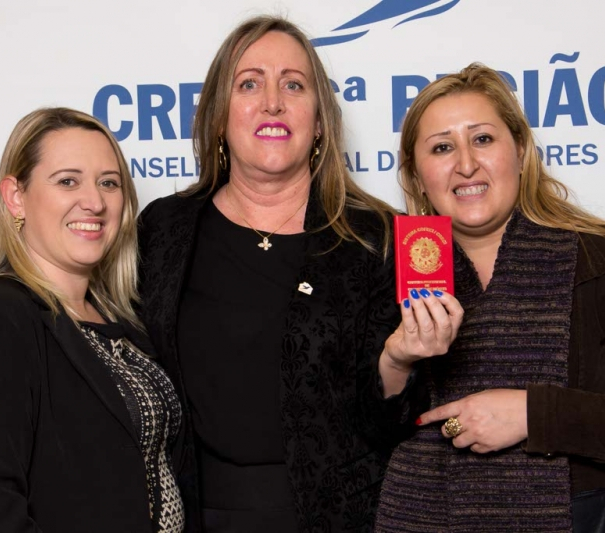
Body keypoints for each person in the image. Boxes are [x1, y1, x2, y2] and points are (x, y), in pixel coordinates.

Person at [137, 16, 461, 533]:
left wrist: (398, 361)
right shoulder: (163, 229)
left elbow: (394, 428)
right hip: (191, 517)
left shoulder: (380, 238)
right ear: (218, 116)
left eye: (293, 85)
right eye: (249, 84)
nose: (273, 102)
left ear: (320, 121)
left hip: (340, 520)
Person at [374, 63, 605, 532]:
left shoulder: (600, 257)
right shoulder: (386, 269)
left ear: (521, 150)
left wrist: (536, 415)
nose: (466, 164)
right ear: (415, 172)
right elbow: (358, 441)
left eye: (483, 139)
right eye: (442, 147)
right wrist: (396, 361)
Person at [0, 108, 185, 533]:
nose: (95, 202)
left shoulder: (124, 320)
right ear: (16, 197)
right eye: (68, 181)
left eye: (109, 183)